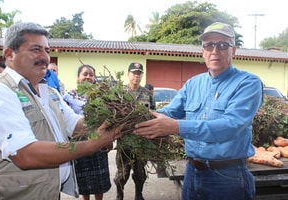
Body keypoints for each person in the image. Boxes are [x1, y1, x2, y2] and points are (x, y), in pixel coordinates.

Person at [0, 22, 124, 200]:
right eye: (36, 49)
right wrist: (93, 144)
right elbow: (25, 154)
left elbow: (75, 125)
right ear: (9, 54)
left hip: (50, 192)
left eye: (47, 50)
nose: (44, 56)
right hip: (18, 194)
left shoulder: (50, 92)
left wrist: (111, 118)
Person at [133, 22, 263, 200]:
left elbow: (230, 126)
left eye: (223, 45)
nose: (215, 51)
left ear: (234, 50)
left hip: (228, 178)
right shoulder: (193, 83)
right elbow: (170, 112)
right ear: (203, 51)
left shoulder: (248, 83)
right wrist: (135, 117)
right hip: (192, 173)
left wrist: (176, 127)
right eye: (209, 45)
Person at [63, 64, 112, 200]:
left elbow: (109, 119)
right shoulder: (69, 96)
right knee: (84, 178)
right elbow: (64, 119)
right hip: (79, 142)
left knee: (99, 179)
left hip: (99, 140)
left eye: (91, 74)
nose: (88, 77)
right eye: (85, 74)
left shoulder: (103, 96)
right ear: (78, 78)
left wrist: (109, 140)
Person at [114, 62, 154, 200]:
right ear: (128, 74)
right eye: (134, 73)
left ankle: (139, 194)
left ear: (142, 75)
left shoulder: (147, 93)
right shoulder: (120, 93)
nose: (136, 76)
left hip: (141, 141)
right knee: (122, 172)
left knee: (139, 171)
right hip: (124, 140)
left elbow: (153, 113)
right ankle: (120, 195)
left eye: (139, 73)